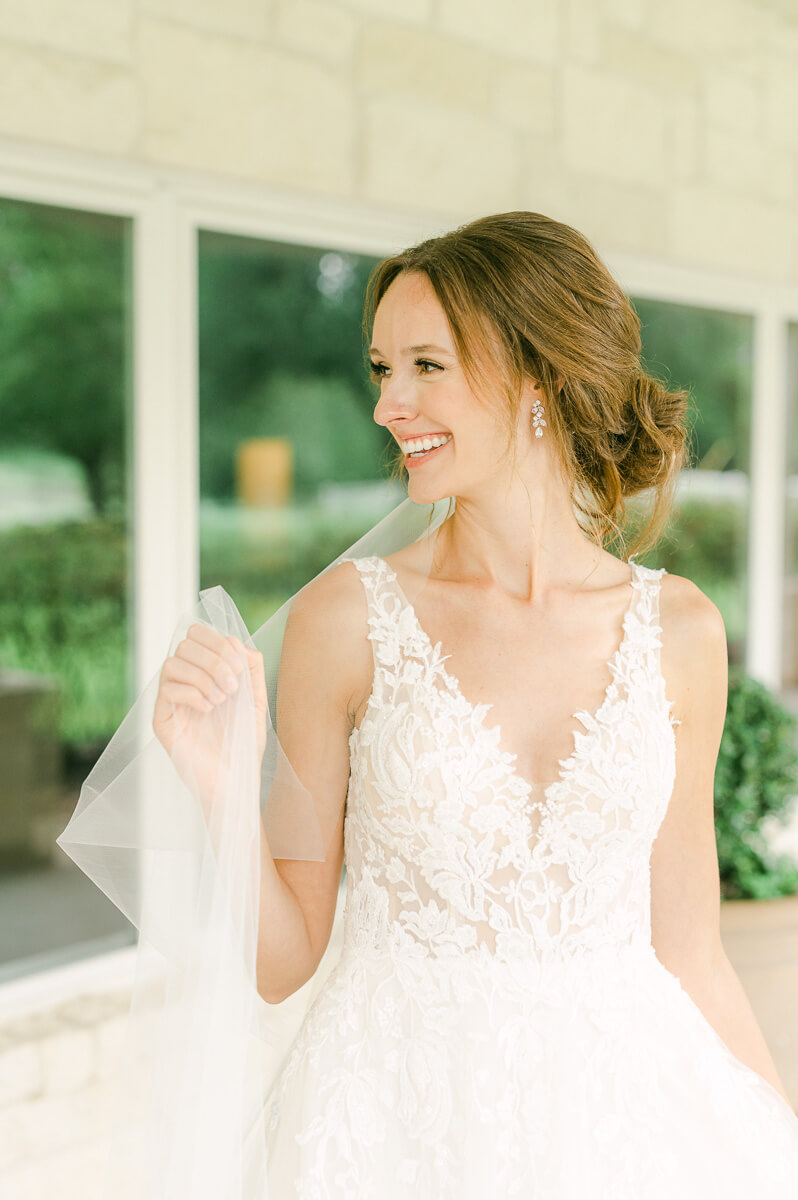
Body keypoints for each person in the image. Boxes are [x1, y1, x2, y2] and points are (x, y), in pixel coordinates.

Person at [65, 212, 798, 1197]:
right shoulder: (347, 620)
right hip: (386, 1128)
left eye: (425, 366)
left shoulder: (684, 634)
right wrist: (220, 787)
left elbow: (692, 952)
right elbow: (282, 965)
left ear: (539, 376)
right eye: (382, 369)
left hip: (624, 1128)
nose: (388, 405)